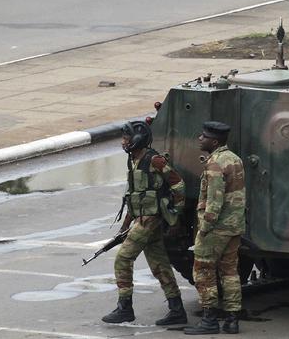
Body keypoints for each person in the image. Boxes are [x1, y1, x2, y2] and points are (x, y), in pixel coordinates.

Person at [102, 120, 187, 326]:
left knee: (123, 259)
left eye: (126, 138)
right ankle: (177, 310)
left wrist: (174, 216)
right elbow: (134, 195)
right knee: (160, 265)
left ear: (137, 139)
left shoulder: (154, 160)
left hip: (151, 219)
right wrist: (125, 224)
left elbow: (178, 184)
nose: (123, 142)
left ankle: (125, 307)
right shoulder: (134, 160)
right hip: (142, 218)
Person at [184, 121, 246, 335]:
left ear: (215, 141)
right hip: (234, 227)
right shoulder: (234, 159)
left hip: (216, 228)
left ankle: (209, 319)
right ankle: (232, 319)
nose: (200, 139)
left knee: (203, 270)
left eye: (204, 136)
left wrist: (205, 227)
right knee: (229, 272)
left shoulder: (215, 164)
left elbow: (215, 200)